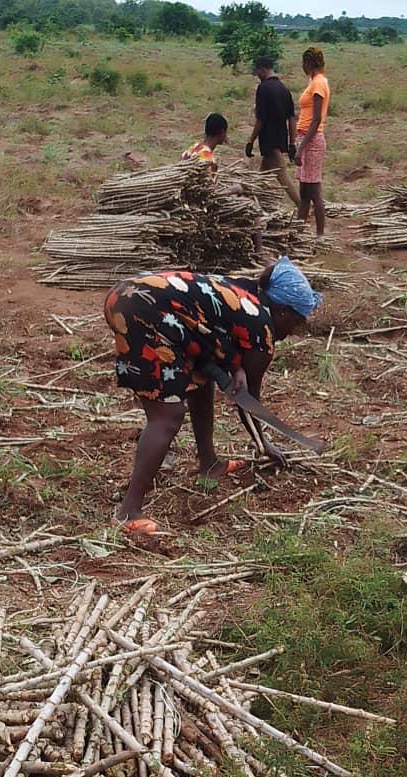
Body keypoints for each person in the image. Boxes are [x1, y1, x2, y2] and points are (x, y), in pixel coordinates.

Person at [104, 258, 321, 534]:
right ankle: (127, 513)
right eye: (297, 323)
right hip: (144, 311)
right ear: (282, 311)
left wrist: (232, 366)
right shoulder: (262, 328)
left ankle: (210, 463)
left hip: (130, 296)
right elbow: (248, 400)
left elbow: (211, 332)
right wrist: (264, 444)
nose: (292, 333)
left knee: (200, 380)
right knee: (168, 416)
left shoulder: (246, 294)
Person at [245, 57, 300, 208]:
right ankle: (253, 203)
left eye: (256, 71)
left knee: (282, 175)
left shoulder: (263, 88)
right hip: (280, 139)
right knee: (262, 175)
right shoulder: (283, 88)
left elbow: (260, 120)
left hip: (269, 141)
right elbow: (292, 119)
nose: (256, 74)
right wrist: (291, 144)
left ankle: (302, 206)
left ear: (262, 69)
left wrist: (251, 141)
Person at [294, 46, 330, 238]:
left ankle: (320, 235)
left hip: (312, 140)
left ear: (309, 63)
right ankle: (299, 232)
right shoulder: (315, 82)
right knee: (304, 192)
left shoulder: (318, 83)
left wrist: (301, 147)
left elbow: (316, 119)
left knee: (314, 191)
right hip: (307, 138)